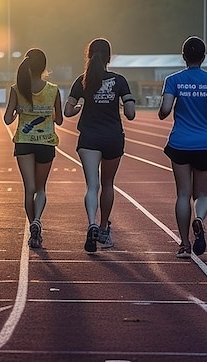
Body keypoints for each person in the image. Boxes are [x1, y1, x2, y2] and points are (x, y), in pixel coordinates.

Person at [158, 36, 207, 259]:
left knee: (182, 194)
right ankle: (198, 218)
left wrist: (163, 112)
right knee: (202, 194)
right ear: (204, 57)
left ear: (183, 57)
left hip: (181, 142)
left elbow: (165, 110)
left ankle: (184, 244)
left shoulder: (174, 80)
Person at [64, 38, 136, 253]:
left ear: (89, 56)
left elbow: (67, 111)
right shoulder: (120, 80)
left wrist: (78, 109)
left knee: (92, 186)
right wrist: (123, 105)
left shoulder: (82, 80)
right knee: (108, 184)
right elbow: (131, 114)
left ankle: (91, 224)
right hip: (112, 136)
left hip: (89, 137)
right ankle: (104, 228)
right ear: (109, 57)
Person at [4, 48, 63, 249]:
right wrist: (47, 115)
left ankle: (33, 228)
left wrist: (20, 112)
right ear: (44, 67)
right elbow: (60, 119)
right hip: (46, 142)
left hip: (24, 142)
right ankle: (38, 219)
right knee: (41, 188)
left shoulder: (17, 89)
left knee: (29, 189)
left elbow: (7, 118)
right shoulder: (53, 89)